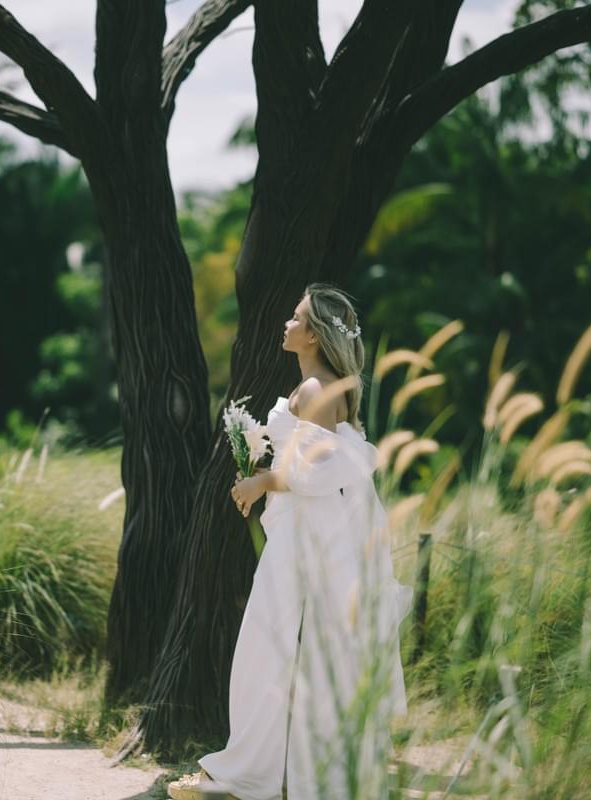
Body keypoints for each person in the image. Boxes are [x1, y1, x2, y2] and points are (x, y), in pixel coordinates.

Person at [168, 284, 412, 800]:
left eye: (296, 317)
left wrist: (260, 482)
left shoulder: (312, 391)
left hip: (305, 535)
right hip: (311, 530)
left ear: (315, 336)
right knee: (282, 647)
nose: (286, 323)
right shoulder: (328, 386)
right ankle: (267, 769)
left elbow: (315, 473)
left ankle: (253, 775)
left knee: (267, 645)